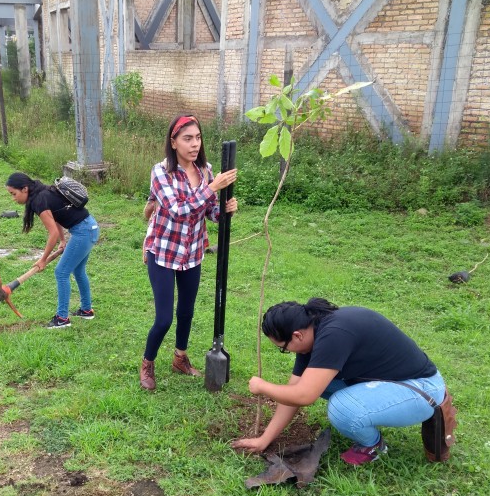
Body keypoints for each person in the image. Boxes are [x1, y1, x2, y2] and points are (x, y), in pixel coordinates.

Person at [231, 298, 447, 466]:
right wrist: (264, 439)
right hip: (389, 383)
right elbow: (294, 392)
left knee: (342, 408)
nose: (285, 351)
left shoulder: (334, 335)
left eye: (283, 347)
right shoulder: (313, 333)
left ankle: (373, 446)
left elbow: (305, 396)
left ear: (296, 335)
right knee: (316, 385)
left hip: (420, 389)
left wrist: (262, 387)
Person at [140, 114, 238, 390]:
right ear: (173, 142)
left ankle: (180, 358)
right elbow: (178, 211)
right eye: (187, 139)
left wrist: (225, 209)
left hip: (193, 252)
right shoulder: (160, 172)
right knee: (164, 318)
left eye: (197, 138)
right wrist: (212, 188)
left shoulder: (205, 171)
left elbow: (209, 212)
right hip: (163, 251)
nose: (194, 144)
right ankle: (148, 363)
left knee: (186, 311)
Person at [5, 172, 99, 329]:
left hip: (83, 232)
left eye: (13, 194)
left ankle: (62, 318)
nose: (13, 198)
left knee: (61, 272)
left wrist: (43, 260)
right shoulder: (43, 193)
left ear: (25, 189)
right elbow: (57, 218)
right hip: (90, 227)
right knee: (78, 270)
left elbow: (53, 233)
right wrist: (63, 241)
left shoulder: (39, 201)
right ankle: (86, 310)